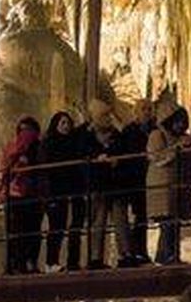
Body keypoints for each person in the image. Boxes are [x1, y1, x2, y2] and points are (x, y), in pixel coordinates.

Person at [40, 112, 87, 272]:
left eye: (68, 123)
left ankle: (73, 261)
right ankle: (51, 262)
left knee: (76, 226)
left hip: (74, 189)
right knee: (57, 226)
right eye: (63, 123)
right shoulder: (49, 144)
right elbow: (46, 170)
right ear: (56, 125)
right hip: (57, 190)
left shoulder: (74, 142)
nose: (66, 127)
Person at [147, 104, 191, 265]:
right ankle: (167, 255)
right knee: (167, 223)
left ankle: (168, 255)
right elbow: (157, 157)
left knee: (174, 223)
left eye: (183, 122)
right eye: (178, 122)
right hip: (162, 185)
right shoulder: (157, 135)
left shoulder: (180, 138)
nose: (180, 125)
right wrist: (177, 149)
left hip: (176, 185)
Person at [85, 99, 127, 269]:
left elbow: (124, 148)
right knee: (98, 221)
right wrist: (96, 158)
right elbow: (83, 152)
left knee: (120, 220)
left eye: (108, 115)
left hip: (115, 183)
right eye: (104, 116)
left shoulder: (117, 135)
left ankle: (125, 254)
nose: (108, 118)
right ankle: (95, 257)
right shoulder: (87, 136)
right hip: (98, 183)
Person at [0, 117, 44, 275]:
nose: (26, 134)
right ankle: (18, 263)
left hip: (29, 193)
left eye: (29, 130)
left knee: (30, 231)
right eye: (23, 130)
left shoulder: (38, 148)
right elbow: (5, 168)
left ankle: (26, 262)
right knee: (20, 231)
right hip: (18, 194)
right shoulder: (13, 148)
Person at [116, 100, 156, 265]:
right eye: (143, 109)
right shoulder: (129, 131)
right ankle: (134, 251)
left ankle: (141, 250)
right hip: (134, 179)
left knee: (143, 216)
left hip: (149, 178)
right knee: (137, 215)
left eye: (149, 109)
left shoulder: (154, 130)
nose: (146, 112)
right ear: (136, 112)